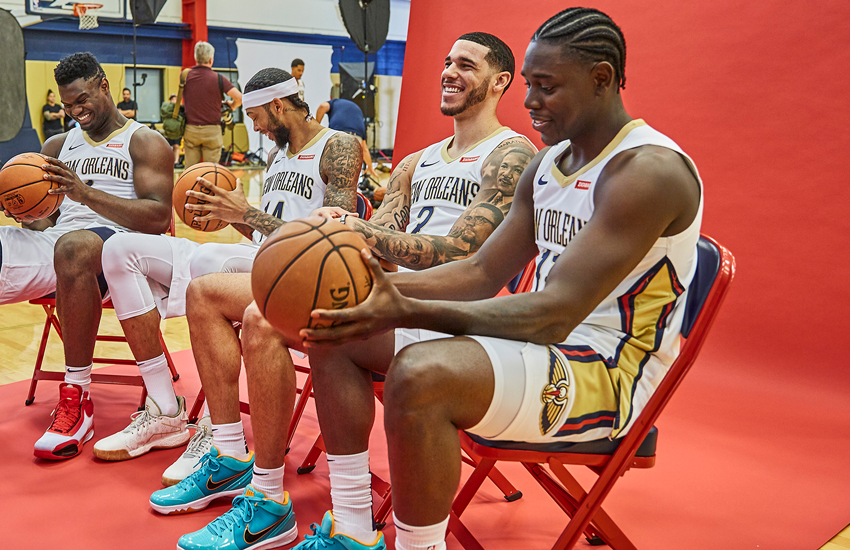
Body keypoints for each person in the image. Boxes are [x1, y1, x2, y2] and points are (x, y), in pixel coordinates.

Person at [302, 9, 704, 550]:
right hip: (541, 344)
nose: (530, 101)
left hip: (606, 371)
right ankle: (352, 529)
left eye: (547, 87)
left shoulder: (646, 172)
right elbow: (481, 270)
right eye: (530, 85)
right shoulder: (550, 163)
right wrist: (367, 288)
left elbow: (554, 312)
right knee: (339, 330)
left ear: (602, 78)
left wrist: (406, 307)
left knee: (422, 375)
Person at [228, 32, 536, 550]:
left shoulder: (511, 154)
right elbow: (384, 246)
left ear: (501, 81)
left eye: (466, 64)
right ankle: (342, 520)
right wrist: (335, 231)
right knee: (301, 320)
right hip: (402, 301)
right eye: (446, 61)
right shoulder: (415, 162)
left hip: (464, 316)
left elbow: (465, 253)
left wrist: (357, 229)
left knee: (331, 327)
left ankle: (353, 523)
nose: (449, 71)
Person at [0, 52, 177, 462]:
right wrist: (26, 212)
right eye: (67, 105)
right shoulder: (58, 145)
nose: (75, 112)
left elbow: (159, 218)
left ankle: (78, 398)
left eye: (82, 101)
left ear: (103, 86)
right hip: (61, 244)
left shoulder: (144, 141)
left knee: (73, 248)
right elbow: (49, 222)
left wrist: (86, 193)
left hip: (121, 251)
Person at [146, 67, 363, 550]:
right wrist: (236, 217)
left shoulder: (338, 146)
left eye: (258, 116)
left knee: (217, 285)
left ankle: (266, 493)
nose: (256, 126)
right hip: (280, 270)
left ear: (280, 106)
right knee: (201, 290)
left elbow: (336, 237)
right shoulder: (279, 156)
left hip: (323, 281)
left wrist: (246, 213)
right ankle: (226, 455)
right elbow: (271, 233)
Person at [182, 42, 242, 168]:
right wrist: (231, 106)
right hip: (212, 130)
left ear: (196, 58)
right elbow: (239, 98)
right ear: (211, 59)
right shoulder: (219, 79)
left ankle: (189, 188)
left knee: (190, 171)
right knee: (211, 171)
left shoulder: (185, 76)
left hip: (191, 129)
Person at [315, 97, 375, 178]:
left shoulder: (334, 102)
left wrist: (316, 125)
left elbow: (323, 106)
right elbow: (364, 149)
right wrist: (370, 167)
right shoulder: (358, 112)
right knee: (347, 172)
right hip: (356, 138)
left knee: (331, 167)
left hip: (338, 134)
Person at [167, 94, 183, 168]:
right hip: (170, 130)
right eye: (172, 99)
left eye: (175, 99)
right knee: (169, 146)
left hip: (178, 131)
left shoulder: (181, 109)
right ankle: (170, 161)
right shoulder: (167, 109)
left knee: (176, 146)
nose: (174, 101)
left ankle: (176, 161)